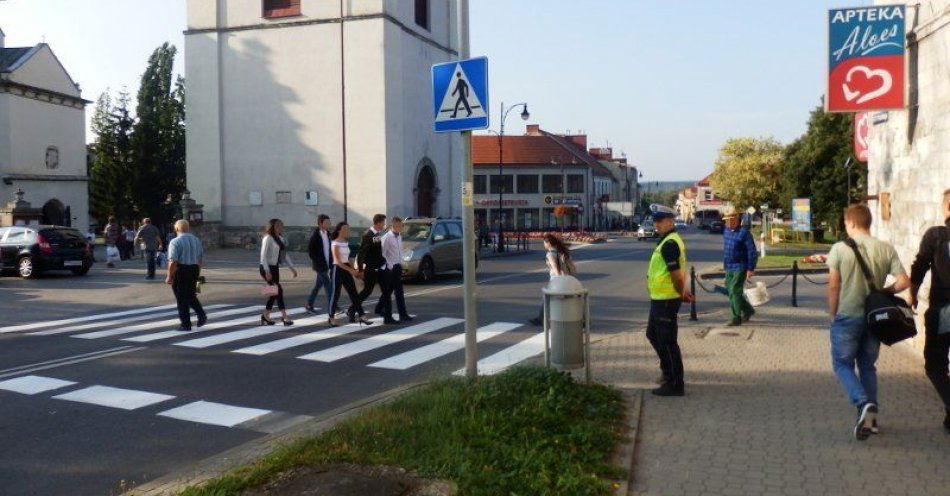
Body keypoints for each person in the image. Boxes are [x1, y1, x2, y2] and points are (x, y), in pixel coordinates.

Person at [826, 204, 909, 441]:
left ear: (851, 222)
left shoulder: (839, 249)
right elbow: (904, 282)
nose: (845, 226)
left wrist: (832, 314)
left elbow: (833, 285)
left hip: (847, 315)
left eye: (845, 222)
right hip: (875, 318)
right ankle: (870, 420)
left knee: (842, 364)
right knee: (867, 366)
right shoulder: (885, 248)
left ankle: (862, 403)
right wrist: (884, 292)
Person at [909, 189, 950, 433]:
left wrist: (912, 293)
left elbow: (920, 265)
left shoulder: (936, 235)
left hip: (944, 308)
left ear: (946, 208)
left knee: (934, 364)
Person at [645, 205, 694, 397]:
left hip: (666, 300)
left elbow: (676, 274)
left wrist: (682, 292)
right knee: (653, 335)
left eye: (659, 221)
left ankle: (675, 383)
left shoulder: (669, 244)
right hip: (660, 299)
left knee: (667, 342)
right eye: (655, 221)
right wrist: (683, 291)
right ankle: (667, 373)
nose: (656, 224)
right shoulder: (667, 240)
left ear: (670, 221)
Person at [165, 220, 207, 331]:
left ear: (177, 229)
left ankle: (186, 324)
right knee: (191, 295)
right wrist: (198, 271)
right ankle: (201, 314)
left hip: (181, 270)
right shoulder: (196, 240)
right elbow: (200, 258)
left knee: (181, 298)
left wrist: (169, 275)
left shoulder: (175, 241)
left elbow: (173, 261)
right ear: (187, 228)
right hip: (194, 268)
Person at [328, 222, 372, 327]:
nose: (348, 231)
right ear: (339, 230)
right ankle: (331, 317)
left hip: (346, 269)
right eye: (345, 229)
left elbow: (348, 259)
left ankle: (362, 316)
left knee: (354, 294)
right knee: (335, 295)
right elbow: (338, 261)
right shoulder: (335, 243)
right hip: (337, 270)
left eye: (348, 229)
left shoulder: (345, 242)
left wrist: (354, 270)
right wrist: (351, 270)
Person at [721, 206, 758, 326]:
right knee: (730, 291)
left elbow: (752, 251)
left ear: (736, 219)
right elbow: (727, 250)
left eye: (730, 219)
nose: (727, 222)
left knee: (735, 291)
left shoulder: (744, 233)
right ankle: (748, 310)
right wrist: (725, 267)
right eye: (726, 220)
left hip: (740, 266)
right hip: (729, 266)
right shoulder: (726, 231)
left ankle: (736, 318)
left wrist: (750, 268)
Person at [529, 233, 576, 325]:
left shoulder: (550, 254)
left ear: (549, 243)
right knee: (570, 299)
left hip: (556, 280)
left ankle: (541, 320)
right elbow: (572, 266)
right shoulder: (562, 251)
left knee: (546, 299)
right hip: (568, 278)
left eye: (544, 243)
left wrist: (559, 280)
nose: (544, 244)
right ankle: (578, 319)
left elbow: (554, 267)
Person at [260, 218, 297, 326]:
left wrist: (292, 268)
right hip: (265, 267)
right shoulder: (268, 238)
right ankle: (284, 316)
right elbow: (263, 256)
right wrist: (267, 271)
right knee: (278, 290)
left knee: (273, 292)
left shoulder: (280, 239)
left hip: (275, 268)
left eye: (281, 225)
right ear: (272, 227)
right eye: (278, 226)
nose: (281, 227)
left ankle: (265, 315)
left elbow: (284, 256)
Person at [378, 217, 413, 324]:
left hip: (398, 266)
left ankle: (401, 314)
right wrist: (389, 266)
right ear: (392, 226)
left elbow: (399, 251)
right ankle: (384, 310)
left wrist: (401, 263)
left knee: (396, 292)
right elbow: (382, 253)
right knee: (391, 292)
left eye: (401, 226)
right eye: (397, 226)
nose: (399, 228)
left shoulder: (399, 237)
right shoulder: (387, 237)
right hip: (390, 268)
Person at [357, 214, 387, 316]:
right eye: (383, 222)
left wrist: (383, 261)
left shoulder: (377, 234)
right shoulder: (368, 235)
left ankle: (379, 309)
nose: (384, 225)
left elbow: (377, 251)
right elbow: (362, 253)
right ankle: (353, 309)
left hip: (379, 266)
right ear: (378, 223)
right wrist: (360, 270)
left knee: (386, 288)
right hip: (370, 268)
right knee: (367, 291)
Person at [305, 214, 333, 314]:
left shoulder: (328, 234)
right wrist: (317, 262)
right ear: (320, 223)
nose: (329, 224)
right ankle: (333, 307)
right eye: (327, 222)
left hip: (326, 265)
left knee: (318, 286)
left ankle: (309, 304)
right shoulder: (315, 235)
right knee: (329, 285)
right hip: (319, 266)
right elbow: (310, 251)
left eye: (329, 222)